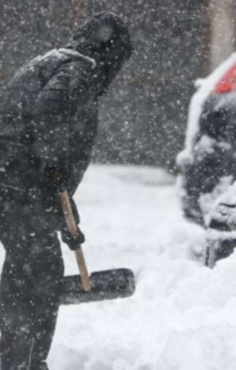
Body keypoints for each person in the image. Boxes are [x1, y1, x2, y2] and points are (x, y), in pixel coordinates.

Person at [0, 12, 132, 369]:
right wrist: (55, 165)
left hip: (13, 182)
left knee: (22, 270)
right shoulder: (80, 69)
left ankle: (13, 357)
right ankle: (23, 362)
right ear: (111, 53)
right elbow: (49, 113)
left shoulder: (52, 61)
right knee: (39, 274)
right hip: (20, 184)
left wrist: (63, 212)